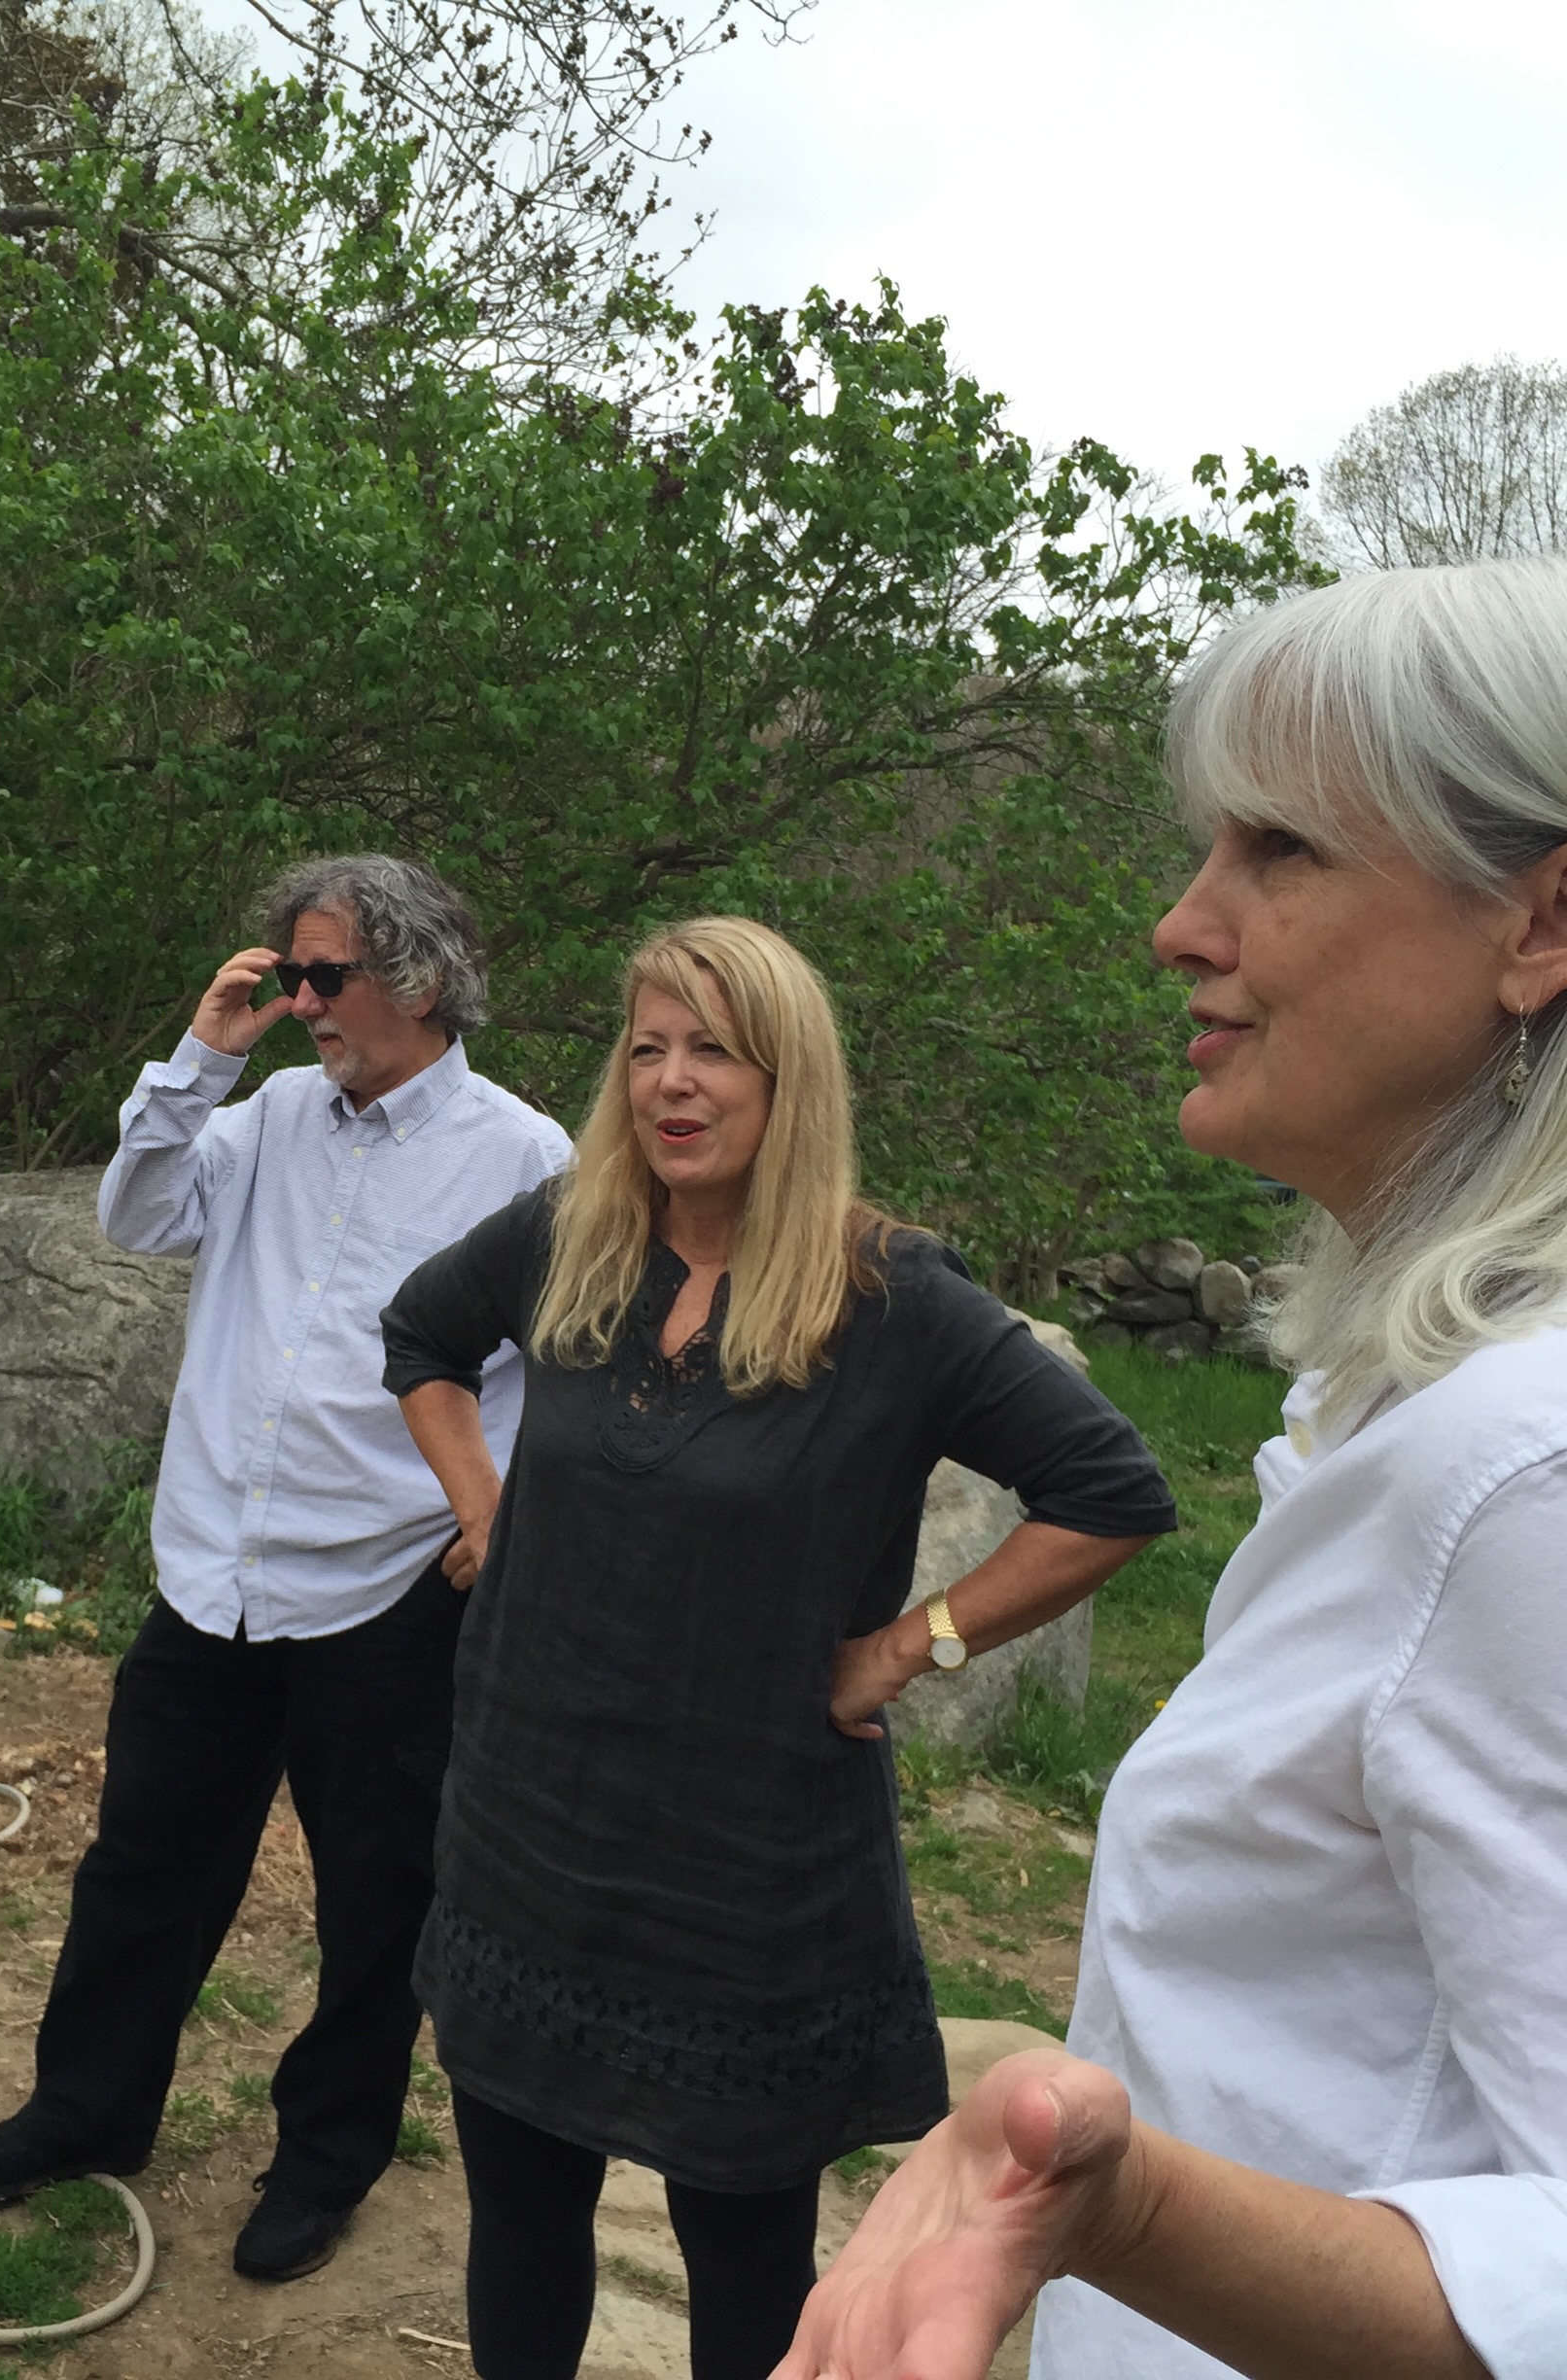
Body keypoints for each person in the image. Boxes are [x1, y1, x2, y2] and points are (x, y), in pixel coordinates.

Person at [775, 558, 1567, 2380]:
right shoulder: (1410, 1408)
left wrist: (1116, 2210)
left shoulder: (1522, 1479)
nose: (1178, 924)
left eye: (1279, 847)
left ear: (1540, 924)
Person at [377, 915, 1175, 2380]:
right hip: (529, 1825)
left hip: (742, 1867)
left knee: (743, 2261)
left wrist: (913, 1645)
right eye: (647, 1051)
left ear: (786, 1080)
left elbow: (1112, 1492)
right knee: (522, 2216)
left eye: (715, 1053)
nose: (672, 1084)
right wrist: (491, 1512)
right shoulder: (568, 1236)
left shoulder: (893, 1301)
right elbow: (421, 1336)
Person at [0, 854, 571, 2285]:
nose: (304, 1002)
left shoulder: (529, 1160)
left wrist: (501, 1516)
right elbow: (137, 1217)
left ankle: (326, 2162)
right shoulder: (270, 1110)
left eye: (324, 976)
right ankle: (85, 2113)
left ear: (420, 980)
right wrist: (203, 1057)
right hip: (214, 1565)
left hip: (389, 1585)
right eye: (291, 975)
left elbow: (565, 1367)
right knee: (144, 1867)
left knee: (376, 1906)